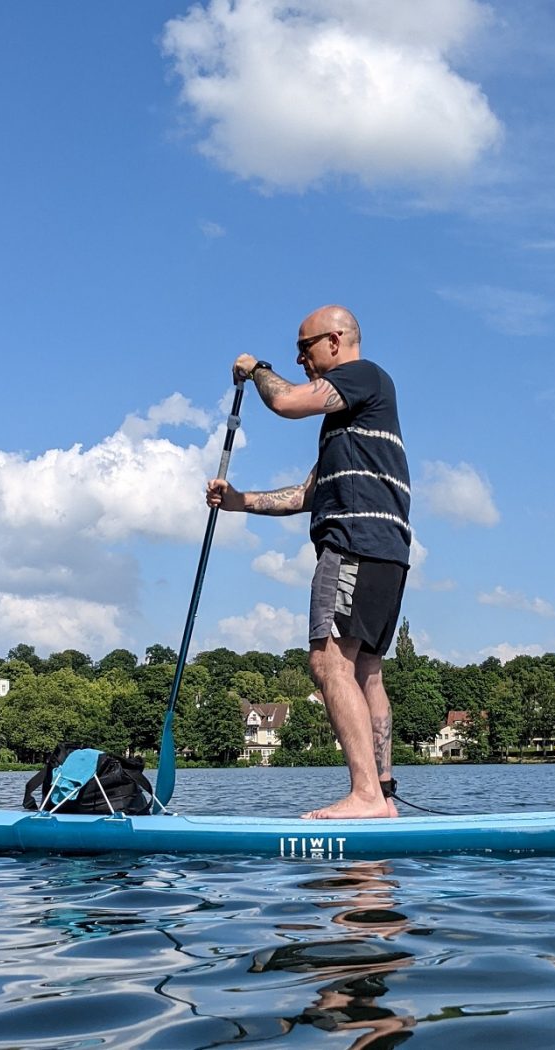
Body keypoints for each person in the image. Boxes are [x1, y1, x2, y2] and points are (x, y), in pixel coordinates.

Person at [205, 305, 411, 819]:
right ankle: (382, 797)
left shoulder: (362, 376)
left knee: (328, 662)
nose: (301, 359)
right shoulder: (351, 421)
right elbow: (305, 494)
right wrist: (240, 501)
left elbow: (288, 402)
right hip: (387, 550)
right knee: (366, 670)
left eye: (306, 347)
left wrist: (256, 368)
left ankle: (364, 794)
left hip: (354, 541)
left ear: (336, 341)